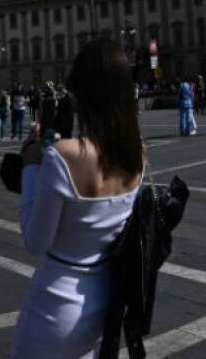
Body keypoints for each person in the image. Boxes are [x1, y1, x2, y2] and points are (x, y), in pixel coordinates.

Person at [11, 39, 144, 357]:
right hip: (102, 304)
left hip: (54, 307)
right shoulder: (136, 151)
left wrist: (31, 166)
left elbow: (36, 241)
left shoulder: (63, 156)